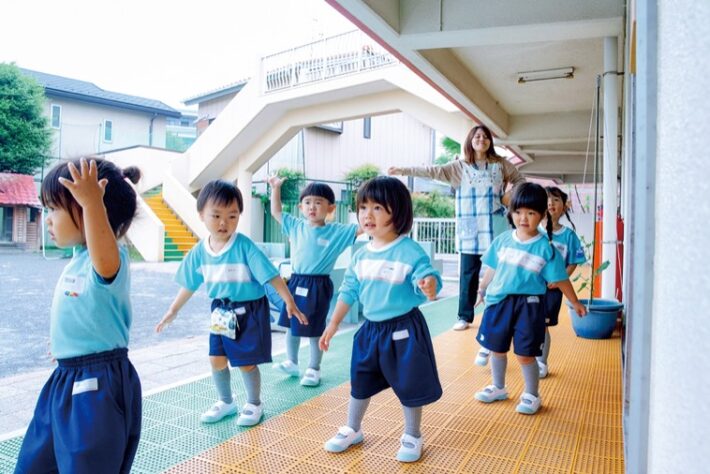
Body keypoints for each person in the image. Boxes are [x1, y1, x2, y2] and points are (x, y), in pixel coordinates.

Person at [15, 158, 142, 473]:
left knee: (87, 465)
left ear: (92, 212)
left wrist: (91, 203)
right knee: (35, 463)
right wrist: (65, 339)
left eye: (54, 210)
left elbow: (104, 251)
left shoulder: (109, 259)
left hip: (96, 383)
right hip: (66, 374)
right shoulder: (79, 259)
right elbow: (84, 310)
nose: (47, 220)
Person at [155, 180, 307, 427]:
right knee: (216, 359)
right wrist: (173, 310)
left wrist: (288, 301)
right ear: (201, 215)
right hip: (221, 312)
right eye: (216, 215)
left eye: (232, 216)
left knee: (246, 362)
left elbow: (271, 276)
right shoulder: (200, 251)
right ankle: (226, 401)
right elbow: (190, 284)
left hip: (249, 311)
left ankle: (254, 404)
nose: (224, 223)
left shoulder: (244, 245)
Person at [319, 176, 442, 463]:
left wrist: (429, 284)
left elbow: (427, 275)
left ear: (397, 212)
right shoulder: (360, 255)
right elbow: (349, 290)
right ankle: (353, 428)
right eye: (363, 207)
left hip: (404, 329)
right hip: (370, 330)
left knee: (410, 383)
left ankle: (412, 434)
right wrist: (333, 323)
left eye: (377, 207)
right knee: (359, 380)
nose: (367, 214)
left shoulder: (409, 250)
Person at [388, 125, 525, 347]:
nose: (481, 139)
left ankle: (498, 309)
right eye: (477, 136)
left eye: (485, 136)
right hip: (469, 225)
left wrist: (507, 198)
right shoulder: (459, 167)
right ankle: (464, 316)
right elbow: (431, 171)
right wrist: (404, 170)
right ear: (470, 141)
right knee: (468, 273)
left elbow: (521, 180)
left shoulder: (500, 165)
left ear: (490, 141)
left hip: (495, 223)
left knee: (499, 270)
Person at [473, 182, 587, 415]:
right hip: (499, 303)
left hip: (529, 305)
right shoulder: (503, 240)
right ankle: (498, 387)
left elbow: (562, 278)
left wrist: (575, 302)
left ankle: (532, 394)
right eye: (518, 212)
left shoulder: (546, 248)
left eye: (531, 213)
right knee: (497, 349)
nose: (523, 218)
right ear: (511, 213)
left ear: (542, 215)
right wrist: (481, 290)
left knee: (526, 354)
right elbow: (492, 269)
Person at [268, 177, 361, 387]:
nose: (312, 207)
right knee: (292, 324)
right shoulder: (295, 225)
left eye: (318, 202)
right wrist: (276, 188)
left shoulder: (337, 231)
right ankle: (291, 362)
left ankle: (314, 368)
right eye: (308, 202)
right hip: (295, 281)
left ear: (330, 208)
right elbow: (276, 212)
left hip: (318, 285)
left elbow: (362, 228)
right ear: (301, 207)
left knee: (315, 328)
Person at [537, 186, 586, 378]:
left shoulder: (568, 235)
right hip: (529, 287)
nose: (551, 203)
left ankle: (541, 362)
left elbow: (574, 261)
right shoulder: (534, 231)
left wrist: (559, 280)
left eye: (556, 200)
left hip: (552, 289)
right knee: (525, 321)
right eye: (547, 199)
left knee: (543, 325)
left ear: (564, 207)